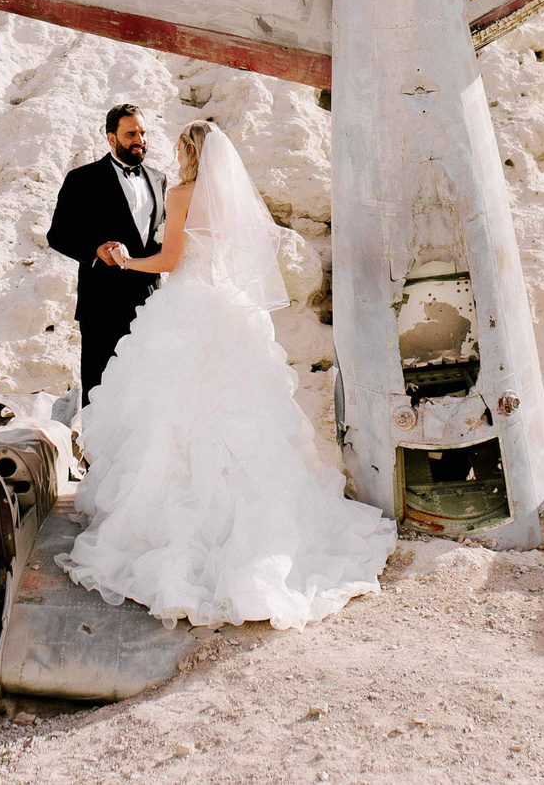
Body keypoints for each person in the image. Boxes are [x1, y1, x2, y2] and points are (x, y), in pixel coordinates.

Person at [60, 120, 395, 630]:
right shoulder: (227, 198)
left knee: (172, 415)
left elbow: (171, 260)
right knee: (236, 414)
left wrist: (126, 262)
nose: (172, 154)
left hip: (186, 305)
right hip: (227, 306)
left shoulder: (181, 193)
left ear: (189, 152)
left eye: (179, 147)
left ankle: (164, 525)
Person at [45, 103, 168, 406]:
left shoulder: (159, 179)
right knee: (100, 390)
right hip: (102, 303)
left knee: (147, 388)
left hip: (151, 301)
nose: (139, 140)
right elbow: (57, 234)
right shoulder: (82, 179)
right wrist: (96, 250)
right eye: (130, 134)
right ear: (111, 138)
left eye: (143, 133)